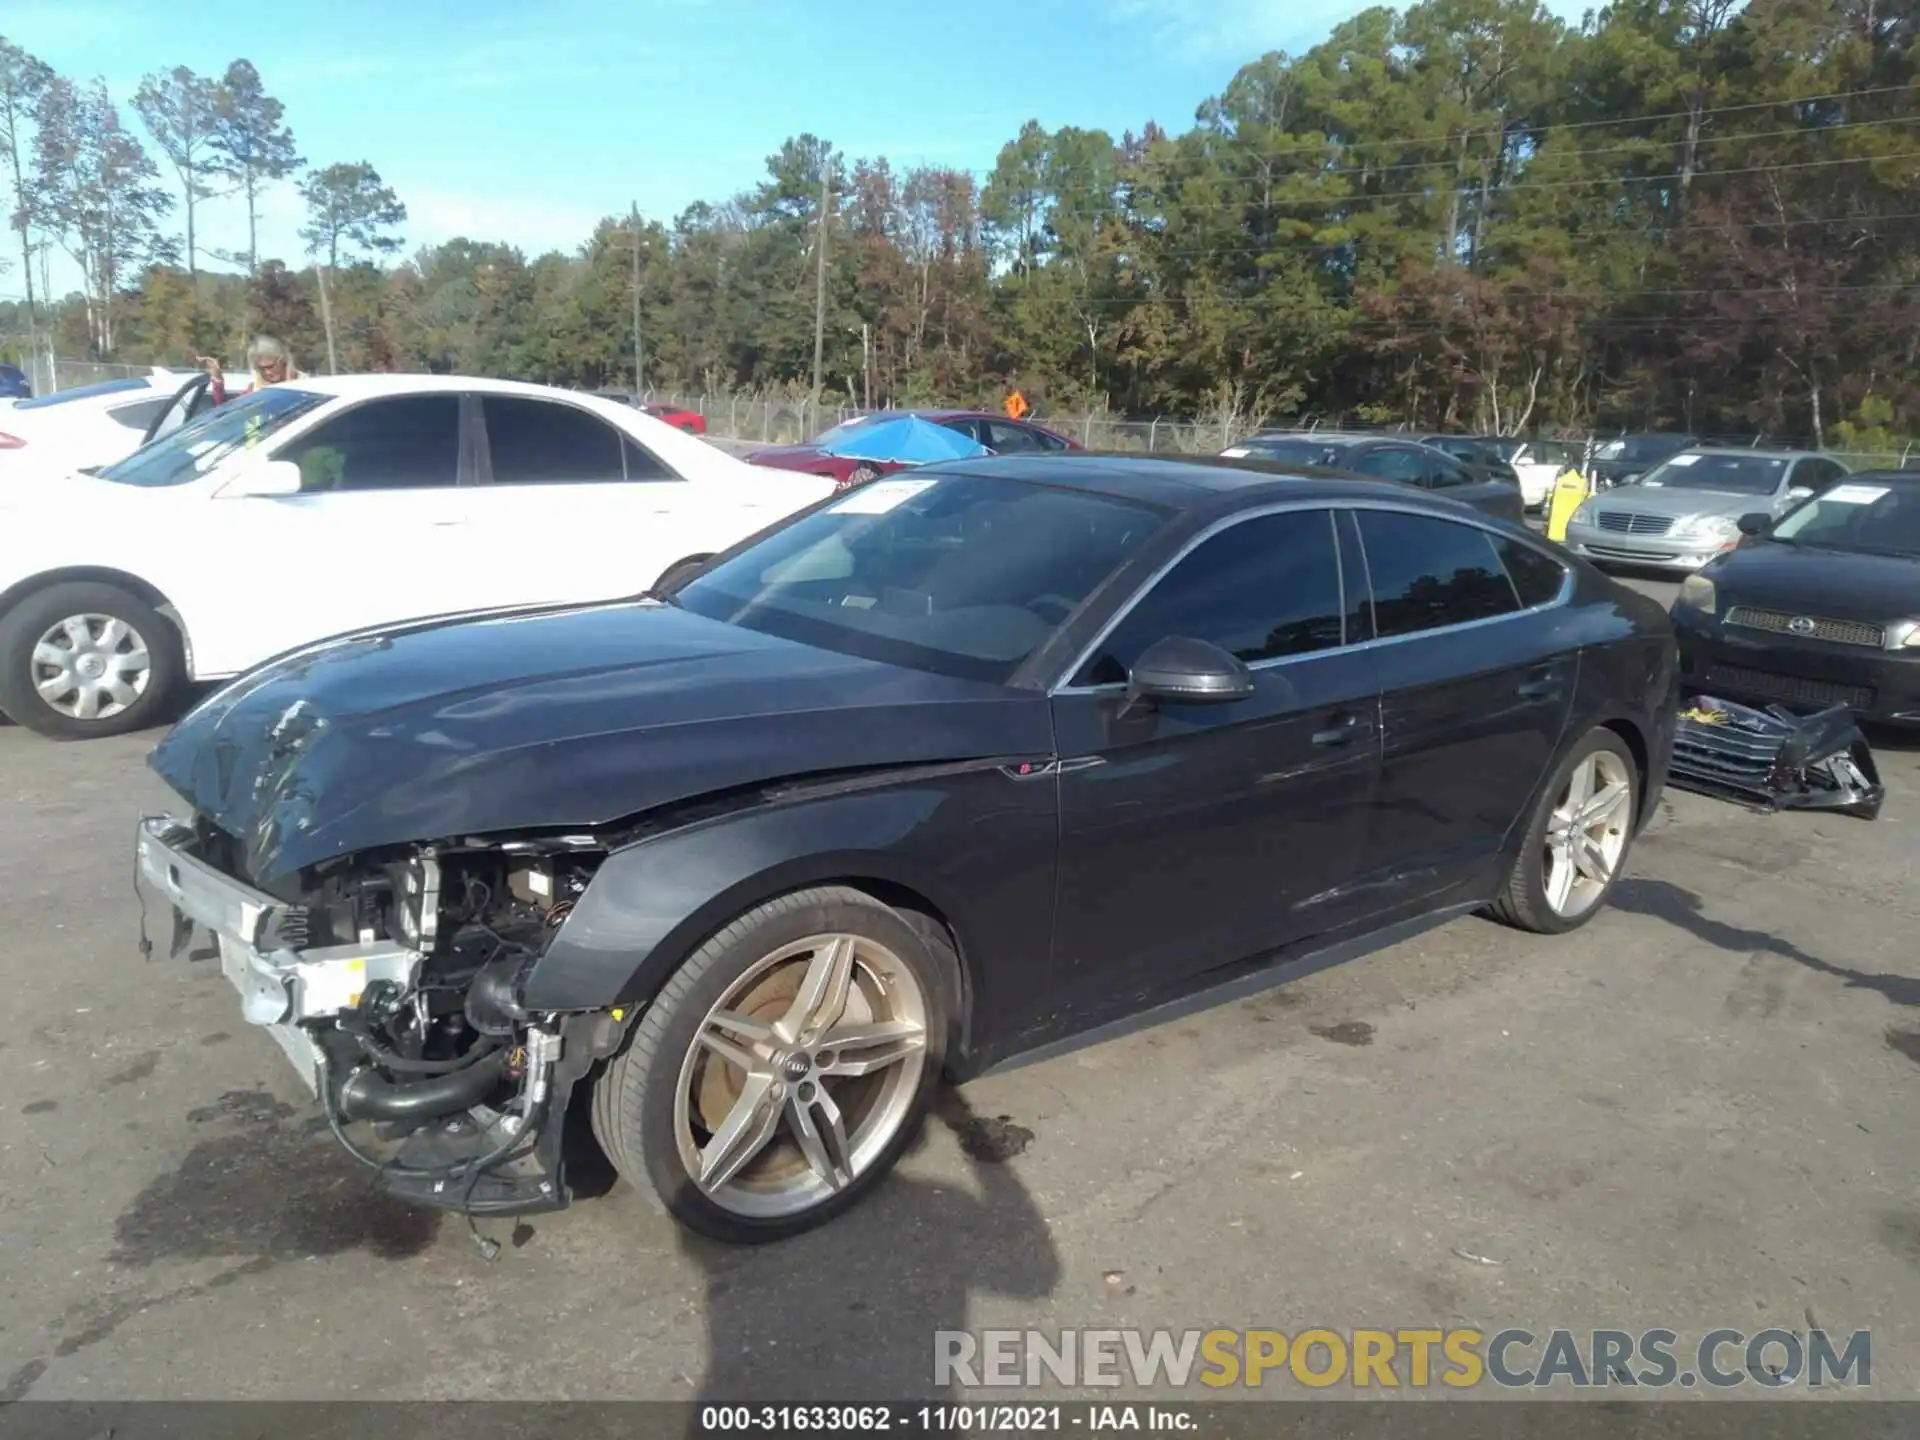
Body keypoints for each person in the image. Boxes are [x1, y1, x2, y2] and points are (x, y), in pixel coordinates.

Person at [198, 335, 302, 406]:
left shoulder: (304, 386)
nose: (267, 373)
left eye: (270, 367)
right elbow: (228, 413)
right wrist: (218, 381)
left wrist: (290, 383)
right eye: (261, 369)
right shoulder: (254, 389)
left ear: (282, 360)